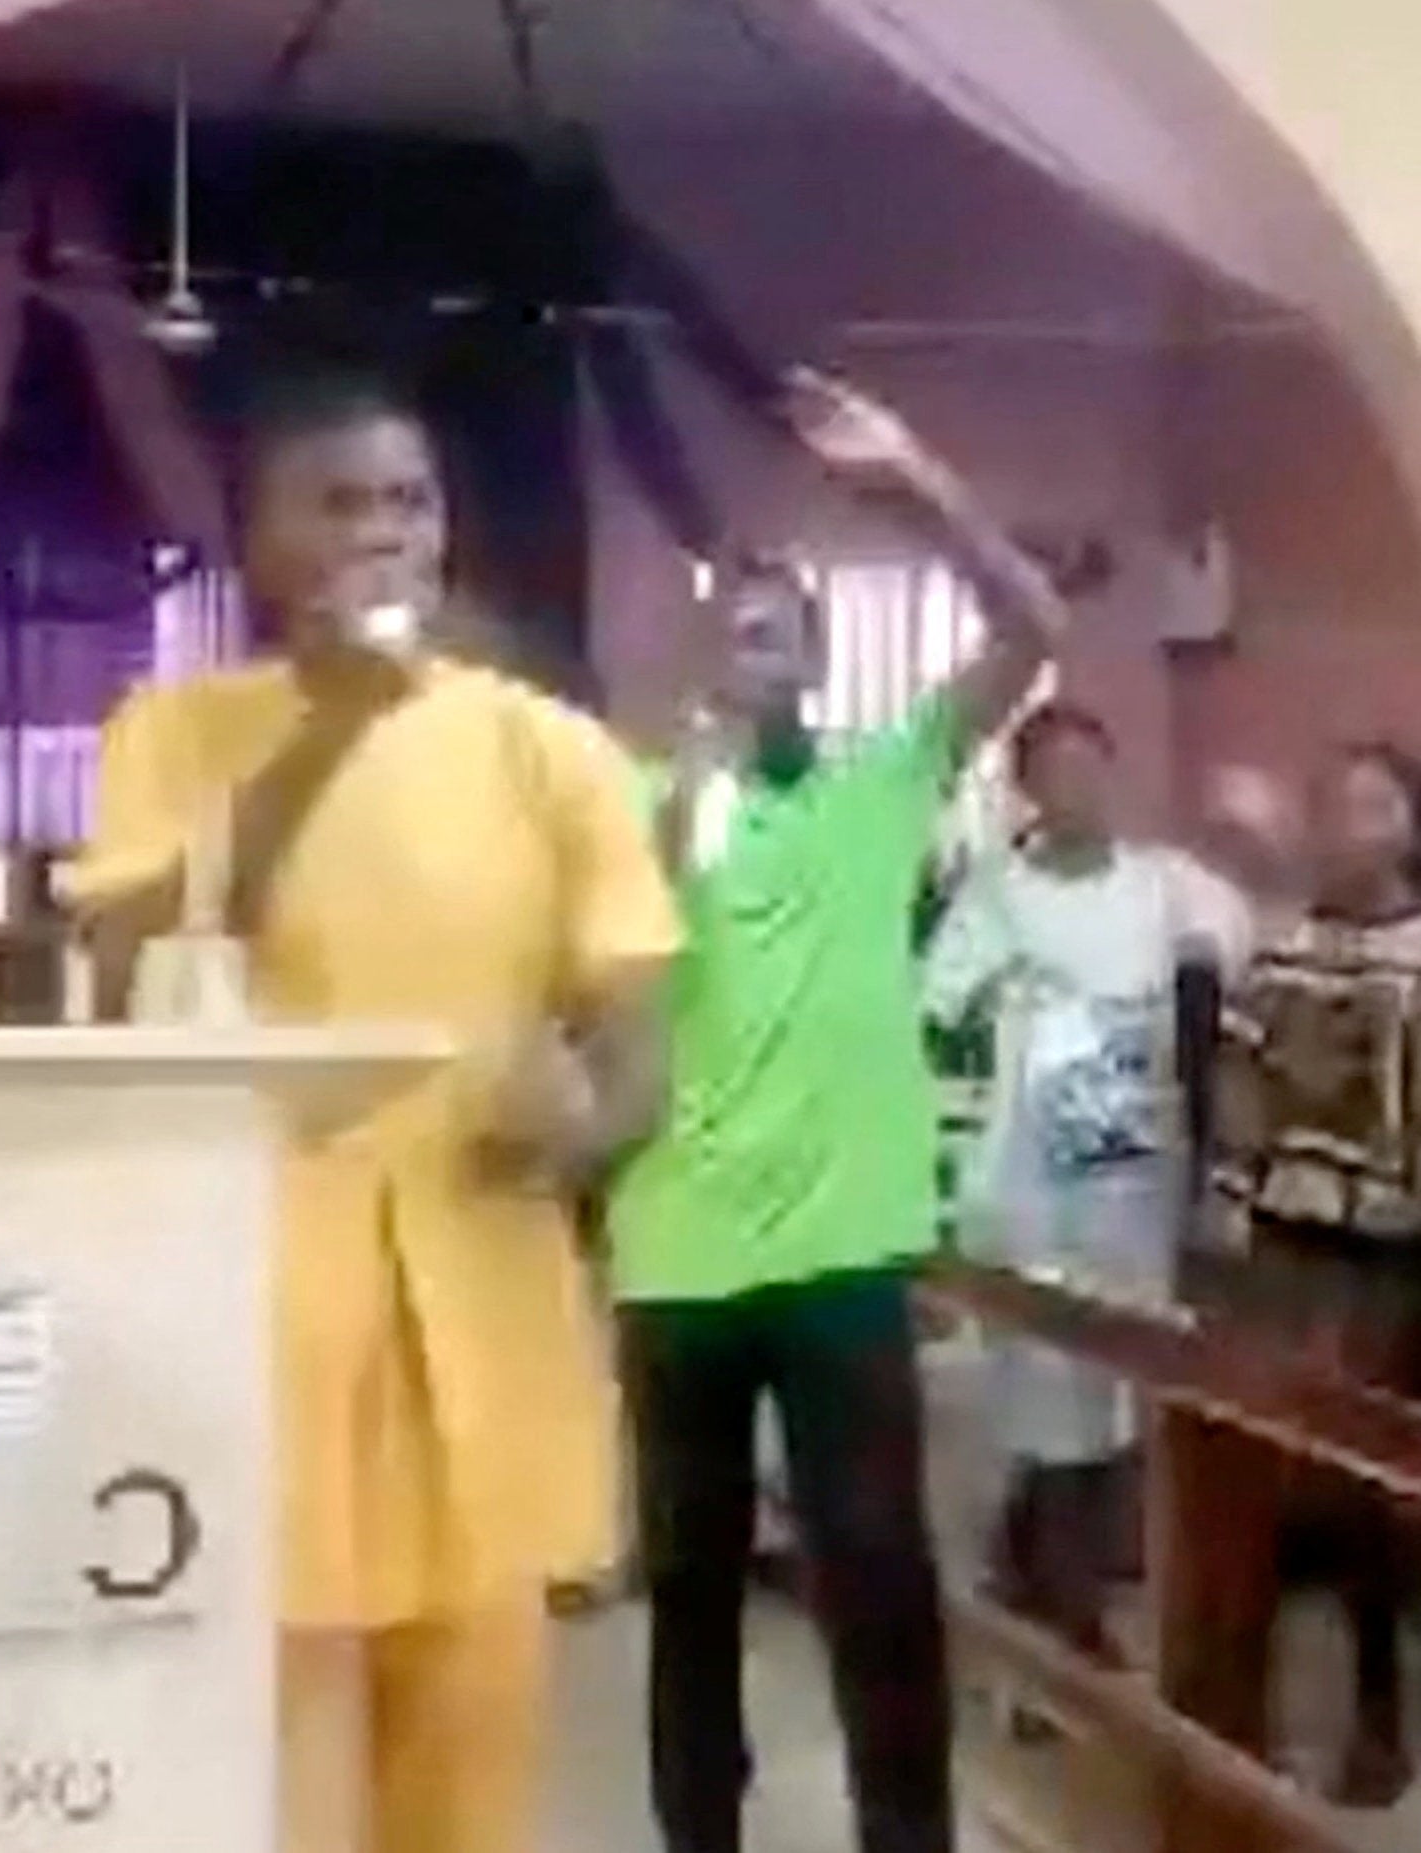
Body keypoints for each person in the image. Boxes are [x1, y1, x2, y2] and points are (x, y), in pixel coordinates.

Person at [62, 347, 679, 1853]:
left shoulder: (554, 750)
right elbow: (132, 953)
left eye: (410, 499)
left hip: (485, 1318)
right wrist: (335, 720)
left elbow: (642, 1036)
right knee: (251, 1777)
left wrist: (587, 1123)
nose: (382, 532)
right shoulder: (176, 728)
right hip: (250, 1331)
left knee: (469, 1786)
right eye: (338, 503)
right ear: (263, 541)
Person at [601, 369, 1064, 1853]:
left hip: (843, 1254)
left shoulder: (889, 777)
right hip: (677, 1253)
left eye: (784, 618)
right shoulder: (632, 794)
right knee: (689, 1580)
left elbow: (1036, 630)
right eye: (735, 618)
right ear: (705, 651)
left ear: (816, 652)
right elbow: (603, 964)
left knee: (877, 1568)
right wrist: (696, 783)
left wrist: (918, 479)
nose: (760, 632)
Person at [1160, 738, 1421, 1840]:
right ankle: (1244, 1725)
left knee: (1379, 1502)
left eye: (1374, 802)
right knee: (1270, 1489)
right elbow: (1236, 1098)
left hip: (1407, 1256)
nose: (1349, 822)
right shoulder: (1277, 951)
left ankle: (1376, 1716)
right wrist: (1223, 1228)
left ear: (1412, 823)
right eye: (1333, 801)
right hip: (1289, 1251)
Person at [922, 702, 1224, 1661]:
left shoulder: (1162, 886)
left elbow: (1226, 953)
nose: (1080, 787)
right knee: (1050, 1387)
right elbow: (936, 1004)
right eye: (1057, 770)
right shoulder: (997, 895)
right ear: (1029, 789)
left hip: (1134, 1178)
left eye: (1095, 765)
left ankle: (1040, 1560)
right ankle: (1068, 1618)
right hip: (1034, 1176)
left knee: (1115, 1386)